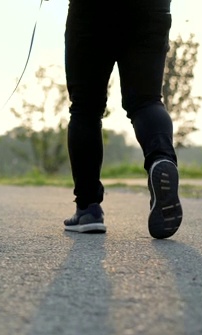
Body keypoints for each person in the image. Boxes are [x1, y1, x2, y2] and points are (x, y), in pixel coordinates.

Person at [61, 0, 183, 239]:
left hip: (91, 12)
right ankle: (160, 159)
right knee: (147, 101)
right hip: (151, 9)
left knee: (85, 107)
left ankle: (88, 209)